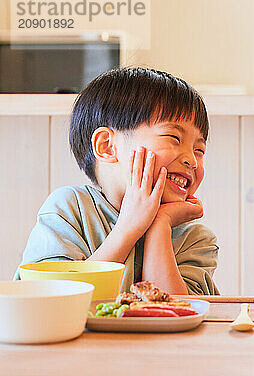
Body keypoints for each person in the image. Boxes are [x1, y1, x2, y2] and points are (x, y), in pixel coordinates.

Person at [17, 67, 219, 295]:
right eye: (173, 137)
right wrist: (130, 226)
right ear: (107, 146)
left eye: (199, 149)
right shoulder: (69, 210)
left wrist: (160, 224)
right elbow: (53, 301)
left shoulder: (195, 240)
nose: (192, 160)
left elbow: (176, 315)